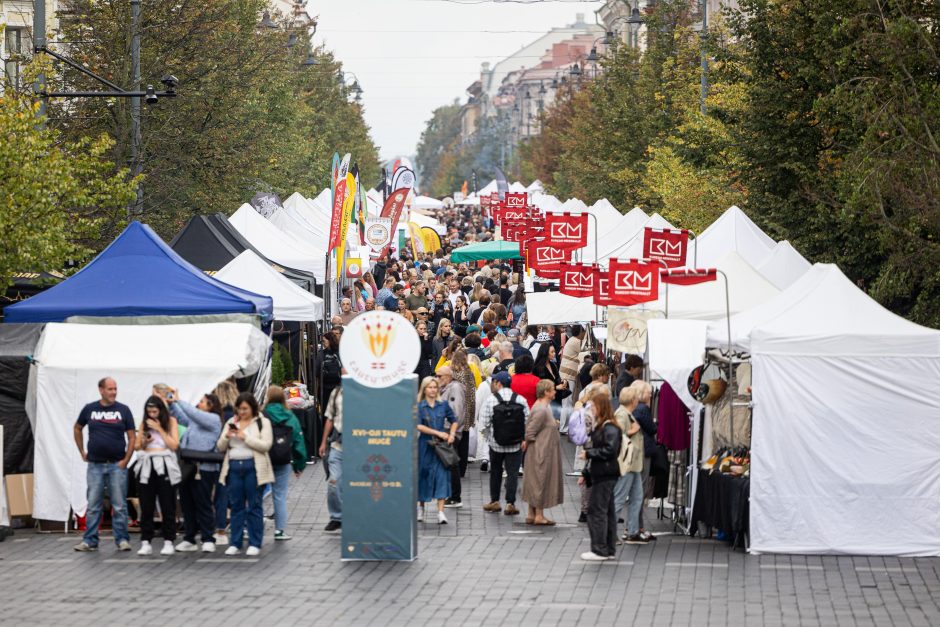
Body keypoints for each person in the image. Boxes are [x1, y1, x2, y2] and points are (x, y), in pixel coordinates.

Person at [72, 377, 135, 552]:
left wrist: (126, 460)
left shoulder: (123, 410)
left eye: (115, 389)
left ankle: (122, 539)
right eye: (110, 389)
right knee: (93, 505)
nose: (114, 392)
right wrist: (81, 451)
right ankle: (90, 540)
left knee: (119, 504)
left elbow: (131, 436)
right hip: (95, 465)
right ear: (101, 390)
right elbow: (77, 428)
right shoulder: (90, 409)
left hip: (117, 465)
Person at [167, 388, 224, 553]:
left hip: (204, 468)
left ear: (211, 405)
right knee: (187, 503)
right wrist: (171, 403)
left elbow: (193, 414)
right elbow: (180, 416)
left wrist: (179, 400)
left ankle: (208, 538)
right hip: (188, 466)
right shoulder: (194, 421)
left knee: (203, 503)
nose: (198, 404)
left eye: (202, 401)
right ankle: (189, 538)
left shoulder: (213, 420)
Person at [217, 392, 274, 556]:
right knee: (236, 505)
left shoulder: (262, 422)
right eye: (239, 409)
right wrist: (227, 437)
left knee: (254, 505)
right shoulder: (231, 422)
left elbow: (266, 445)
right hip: (233, 465)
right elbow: (220, 446)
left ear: (252, 408)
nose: (242, 412)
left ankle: (255, 542)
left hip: (253, 465)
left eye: (245, 409)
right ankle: (235, 542)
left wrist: (245, 437)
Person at [132, 395, 180, 556]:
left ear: (161, 411)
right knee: (146, 505)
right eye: (149, 411)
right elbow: (137, 446)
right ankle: (146, 541)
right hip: (147, 463)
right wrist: (145, 440)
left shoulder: (171, 421)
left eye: (155, 411)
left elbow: (174, 445)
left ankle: (169, 540)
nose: (152, 415)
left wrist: (160, 429)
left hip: (164, 463)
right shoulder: (144, 423)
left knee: (167, 504)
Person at [579, 386, 622, 561]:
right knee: (607, 511)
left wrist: (590, 454)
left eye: (593, 406)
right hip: (605, 473)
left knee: (597, 510)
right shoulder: (606, 426)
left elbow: (609, 450)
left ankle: (599, 548)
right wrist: (586, 472)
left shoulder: (609, 427)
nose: (591, 409)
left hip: (605, 473)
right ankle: (608, 548)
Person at [478, 372, 530, 515]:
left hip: (496, 444)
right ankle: (510, 503)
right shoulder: (520, 399)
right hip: (515, 444)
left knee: (496, 472)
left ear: (498, 383)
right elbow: (527, 421)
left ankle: (495, 501)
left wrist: (489, 437)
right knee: (512, 473)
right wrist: (524, 439)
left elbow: (484, 424)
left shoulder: (491, 400)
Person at [262, 385, 307, 541]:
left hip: (264, 458)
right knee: (279, 495)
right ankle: (279, 531)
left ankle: (251, 525)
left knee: (257, 494)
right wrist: (299, 465)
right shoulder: (290, 416)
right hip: (283, 459)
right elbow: (298, 441)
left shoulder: (263, 414)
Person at [521, 379, 565, 525]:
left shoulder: (543, 407)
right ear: (546, 392)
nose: (555, 391)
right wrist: (535, 444)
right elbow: (530, 431)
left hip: (541, 449)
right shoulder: (541, 409)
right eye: (552, 389)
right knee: (540, 481)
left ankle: (532, 514)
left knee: (536, 480)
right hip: (541, 451)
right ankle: (538, 515)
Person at [416, 378, 458, 524]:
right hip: (425, 445)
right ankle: (421, 508)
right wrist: (439, 433)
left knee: (442, 477)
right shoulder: (420, 407)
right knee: (423, 476)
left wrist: (452, 434)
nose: (433, 390)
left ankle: (440, 512)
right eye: (430, 387)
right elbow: (419, 426)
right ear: (424, 389)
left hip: (440, 448)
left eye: (435, 387)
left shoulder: (443, 405)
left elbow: (454, 419)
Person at [612, 386, 649, 545]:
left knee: (637, 497)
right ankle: (610, 533)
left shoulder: (626, 413)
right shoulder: (622, 414)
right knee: (619, 498)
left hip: (633, 463)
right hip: (626, 463)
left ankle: (633, 531)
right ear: (633, 400)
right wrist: (633, 430)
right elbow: (617, 435)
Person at [445, 351, 476, 508]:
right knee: (464, 438)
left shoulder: (453, 373)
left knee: (458, 441)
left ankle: (457, 467)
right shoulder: (469, 372)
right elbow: (472, 393)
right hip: (467, 409)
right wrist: (471, 412)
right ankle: (462, 468)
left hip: (456, 410)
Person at [211, 379, 239, 545]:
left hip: (220, 459)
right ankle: (239, 527)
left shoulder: (218, 417)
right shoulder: (236, 416)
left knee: (221, 494)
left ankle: (220, 529)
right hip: (237, 458)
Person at [630, 380, 657, 541]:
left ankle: (636, 526)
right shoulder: (643, 409)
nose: (651, 394)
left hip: (639, 451)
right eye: (648, 392)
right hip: (643, 451)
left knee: (637, 489)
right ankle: (636, 527)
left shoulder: (634, 409)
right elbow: (652, 429)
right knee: (640, 489)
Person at [319, 383, 343, 532]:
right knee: (334, 481)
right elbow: (329, 418)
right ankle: (336, 516)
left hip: (359, 447)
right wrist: (323, 442)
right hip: (337, 445)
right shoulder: (336, 392)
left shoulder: (365, 390)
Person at [533, 343, 570, 412]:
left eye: (554, 351)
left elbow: (557, 379)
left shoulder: (552, 364)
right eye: (552, 352)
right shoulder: (537, 368)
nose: (554, 353)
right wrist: (556, 387)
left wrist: (563, 382)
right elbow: (539, 387)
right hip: (546, 402)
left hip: (556, 399)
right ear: (545, 353)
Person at [559, 325, 585, 404]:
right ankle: (567, 417)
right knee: (567, 400)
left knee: (567, 400)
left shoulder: (572, 339)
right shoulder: (576, 342)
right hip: (568, 374)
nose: (584, 335)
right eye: (584, 332)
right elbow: (584, 352)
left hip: (566, 373)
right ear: (581, 332)